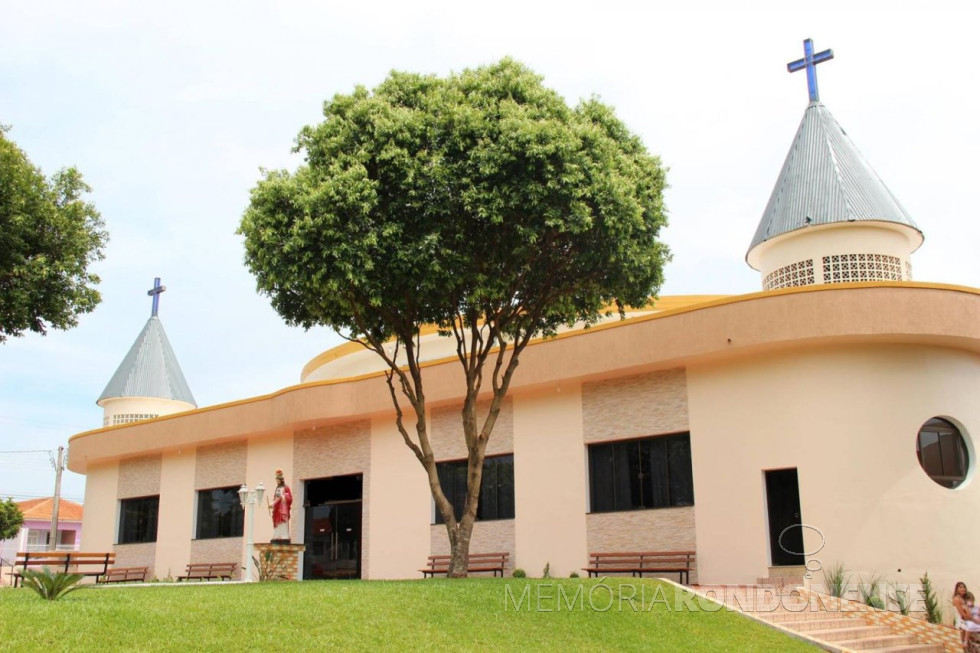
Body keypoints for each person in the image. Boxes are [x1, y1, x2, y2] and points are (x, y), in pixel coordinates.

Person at [953, 582, 980, 651]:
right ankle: (966, 642)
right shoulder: (956, 599)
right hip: (962, 620)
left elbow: (972, 610)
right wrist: (974, 620)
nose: (963, 589)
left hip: (969, 618)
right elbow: (962, 614)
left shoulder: (966, 598)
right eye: (960, 587)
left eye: (964, 587)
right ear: (957, 589)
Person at [268, 468, 292, 543]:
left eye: (278, 481)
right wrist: (272, 504)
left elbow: (288, 497)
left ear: (281, 480)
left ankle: (284, 535)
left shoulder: (285, 487)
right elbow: (276, 497)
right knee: (277, 520)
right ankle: (277, 535)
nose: (277, 482)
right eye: (276, 481)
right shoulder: (278, 488)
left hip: (283, 507)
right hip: (277, 507)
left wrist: (283, 496)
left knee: (283, 520)